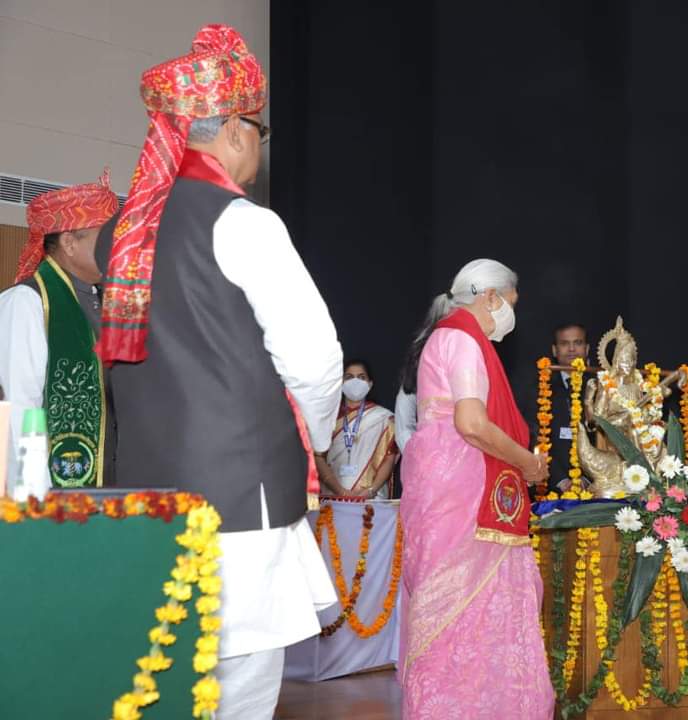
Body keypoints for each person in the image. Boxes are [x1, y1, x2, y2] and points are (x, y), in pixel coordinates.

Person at [95, 25, 341, 719]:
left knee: (164, 677)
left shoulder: (123, 234)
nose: (258, 147)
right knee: (239, 683)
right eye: (257, 131)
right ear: (233, 131)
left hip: (150, 496)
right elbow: (316, 358)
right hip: (240, 497)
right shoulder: (244, 222)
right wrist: (316, 440)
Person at [398, 258, 554, 719]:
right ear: (489, 297)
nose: (510, 313)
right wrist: (527, 463)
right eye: (509, 303)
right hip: (466, 485)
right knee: (469, 604)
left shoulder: (444, 337)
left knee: (468, 603)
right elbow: (470, 423)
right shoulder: (464, 340)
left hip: (446, 483)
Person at [0, 171, 118, 489]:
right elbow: (21, 407)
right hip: (48, 491)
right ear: (68, 242)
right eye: (105, 238)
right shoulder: (26, 302)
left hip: (112, 485)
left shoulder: (108, 301)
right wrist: (35, 497)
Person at [316, 358, 397, 498]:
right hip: (332, 497)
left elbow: (389, 459)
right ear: (340, 383)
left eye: (361, 377)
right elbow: (318, 457)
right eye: (349, 377)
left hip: (371, 498)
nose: (355, 381)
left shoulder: (384, 418)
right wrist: (341, 492)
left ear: (370, 384)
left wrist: (371, 490)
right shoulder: (327, 418)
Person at [546, 322, 589, 492]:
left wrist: (586, 479)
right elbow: (534, 437)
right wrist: (562, 481)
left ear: (586, 348)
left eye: (577, 343)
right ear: (555, 350)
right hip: (551, 487)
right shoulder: (540, 387)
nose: (571, 349)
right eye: (564, 344)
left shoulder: (601, 387)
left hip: (593, 487)